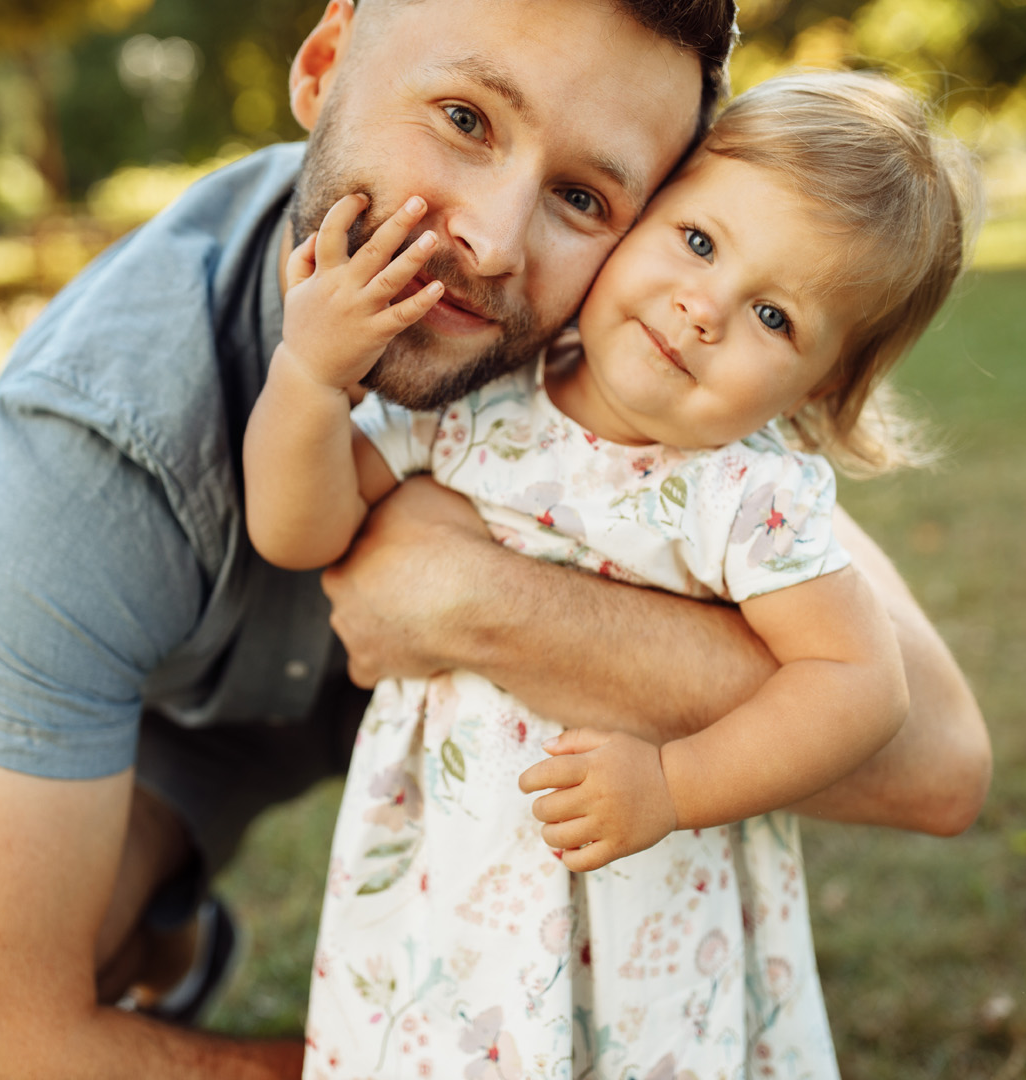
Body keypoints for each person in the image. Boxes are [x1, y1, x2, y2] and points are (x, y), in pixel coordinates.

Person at [0, 2, 991, 1077]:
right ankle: (167, 932)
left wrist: (467, 597)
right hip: (176, 720)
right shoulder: (94, 429)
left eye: (585, 198)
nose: (488, 245)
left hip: (510, 755)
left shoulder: (655, 393)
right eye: (466, 119)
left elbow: (933, 762)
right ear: (325, 65)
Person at [243, 69, 979, 1078]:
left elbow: (862, 684)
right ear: (641, 213)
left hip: (653, 929)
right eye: (701, 241)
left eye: (776, 318)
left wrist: (678, 783)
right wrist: (310, 378)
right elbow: (300, 530)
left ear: (829, 381)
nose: (705, 307)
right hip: (444, 896)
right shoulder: (480, 400)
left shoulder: (746, 495)